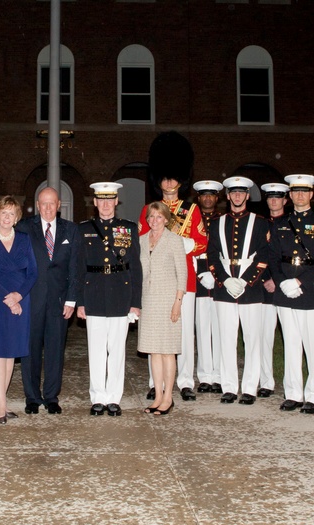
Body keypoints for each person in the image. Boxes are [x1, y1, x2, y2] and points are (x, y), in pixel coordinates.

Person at [137, 131, 207, 402]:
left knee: (183, 333)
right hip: (155, 284)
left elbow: (202, 243)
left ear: (181, 179)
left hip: (183, 282)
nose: (168, 181)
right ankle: (155, 383)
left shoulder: (192, 210)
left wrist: (186, 245)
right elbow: (144, 245)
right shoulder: (149, 210)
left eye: (173, 176)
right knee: (154, 333)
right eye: (164, 176)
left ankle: (185, 380)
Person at [269, 174, 314, 414]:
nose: (299, 195)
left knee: (313, 346)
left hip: (311, 291)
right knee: (291, 345)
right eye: (295, 192)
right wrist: (282, 282)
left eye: (304, 192)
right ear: (290, 196)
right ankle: (293, 393)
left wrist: (299, 280)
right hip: (285, 292)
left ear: (311, 195)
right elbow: (273, 258)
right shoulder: (279, 224)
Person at [76, 182, 143, 416]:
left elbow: (135, 266)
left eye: (109, 200)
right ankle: (97, 397)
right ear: (95, 203)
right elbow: (78, 268)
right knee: (95, 350)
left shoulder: (128, 228)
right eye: (101, 200)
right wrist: (79, 302)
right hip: (93, 293)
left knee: (117, 350)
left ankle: (114, 397)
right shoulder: (83, 229)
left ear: (116, 202)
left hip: (120, 294)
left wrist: (136, 301)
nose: (105, 205)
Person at [14, 187, 81, 415]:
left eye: (52, 203)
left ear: (59, 204)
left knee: (55, 350)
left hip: (59, 301)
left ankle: (51, 396)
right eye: (44, 203)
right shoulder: (23, 228)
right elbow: (15, 264)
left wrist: (72, 300)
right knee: (30, 350)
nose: (48, 208)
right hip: (31, 300)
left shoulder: (71, 230)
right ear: (37, 204)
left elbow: (75, 268)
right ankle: (32, 397)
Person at [205, 177, 272, 405]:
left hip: (250, 289)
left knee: (252, 339)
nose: (237, 196)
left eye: (241, 193)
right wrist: (224, 280)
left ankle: (250, 388)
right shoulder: (217, 223)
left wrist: (245, 280)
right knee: (226, 339)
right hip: (225, 289)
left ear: (247, 195)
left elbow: (264, 255)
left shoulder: (261, 223)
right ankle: (229, 387)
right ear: (227, 195)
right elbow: (212, 255)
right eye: (233, 192)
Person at [0, 196, 38, 423]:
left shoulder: (24, 240)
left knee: (11, 352)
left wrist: (18, 296)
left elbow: (32, 272)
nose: (6, 217)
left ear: (16, 218)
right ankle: (0, 405)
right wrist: (8, 298)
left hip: (20, 300)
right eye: (3, 212)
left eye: (11, 213)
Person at [138, 202, 187, 415]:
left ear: (166, 220)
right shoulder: (140, 241)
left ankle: (169, 397)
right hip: (148, 301)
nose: (154, 221)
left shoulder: (174, 241)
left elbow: (182, 274)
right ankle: (158, 395)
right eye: (151, 216)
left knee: (168, 352)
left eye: (159, 217)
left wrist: (177, 302)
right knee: (154, 351)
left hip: (168, 301)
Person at [256, 182, 290, 399]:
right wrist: (267, 279)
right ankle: (266, 381)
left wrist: (279, 280)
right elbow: (258, 254)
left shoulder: (292, 223)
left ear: (285, 200)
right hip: (265, 288)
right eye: (270, 197)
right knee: (264, 337)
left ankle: (292, 384)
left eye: (278, 197)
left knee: (291, 340)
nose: (274, 201)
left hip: (287, 288)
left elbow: (293, 257)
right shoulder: (260, 225)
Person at [191, 180, 224, 395]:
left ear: (217, 198)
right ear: (198, 198)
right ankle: (204, 376)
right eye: (204, 195)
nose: (208, 199)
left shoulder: (224, 221)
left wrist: (217, 274)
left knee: (221, 330)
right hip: (200, 279)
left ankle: (220, 376)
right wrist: (199, 272)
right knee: (202, 329)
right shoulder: (192, 221)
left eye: (212, 195)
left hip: (221, 280)